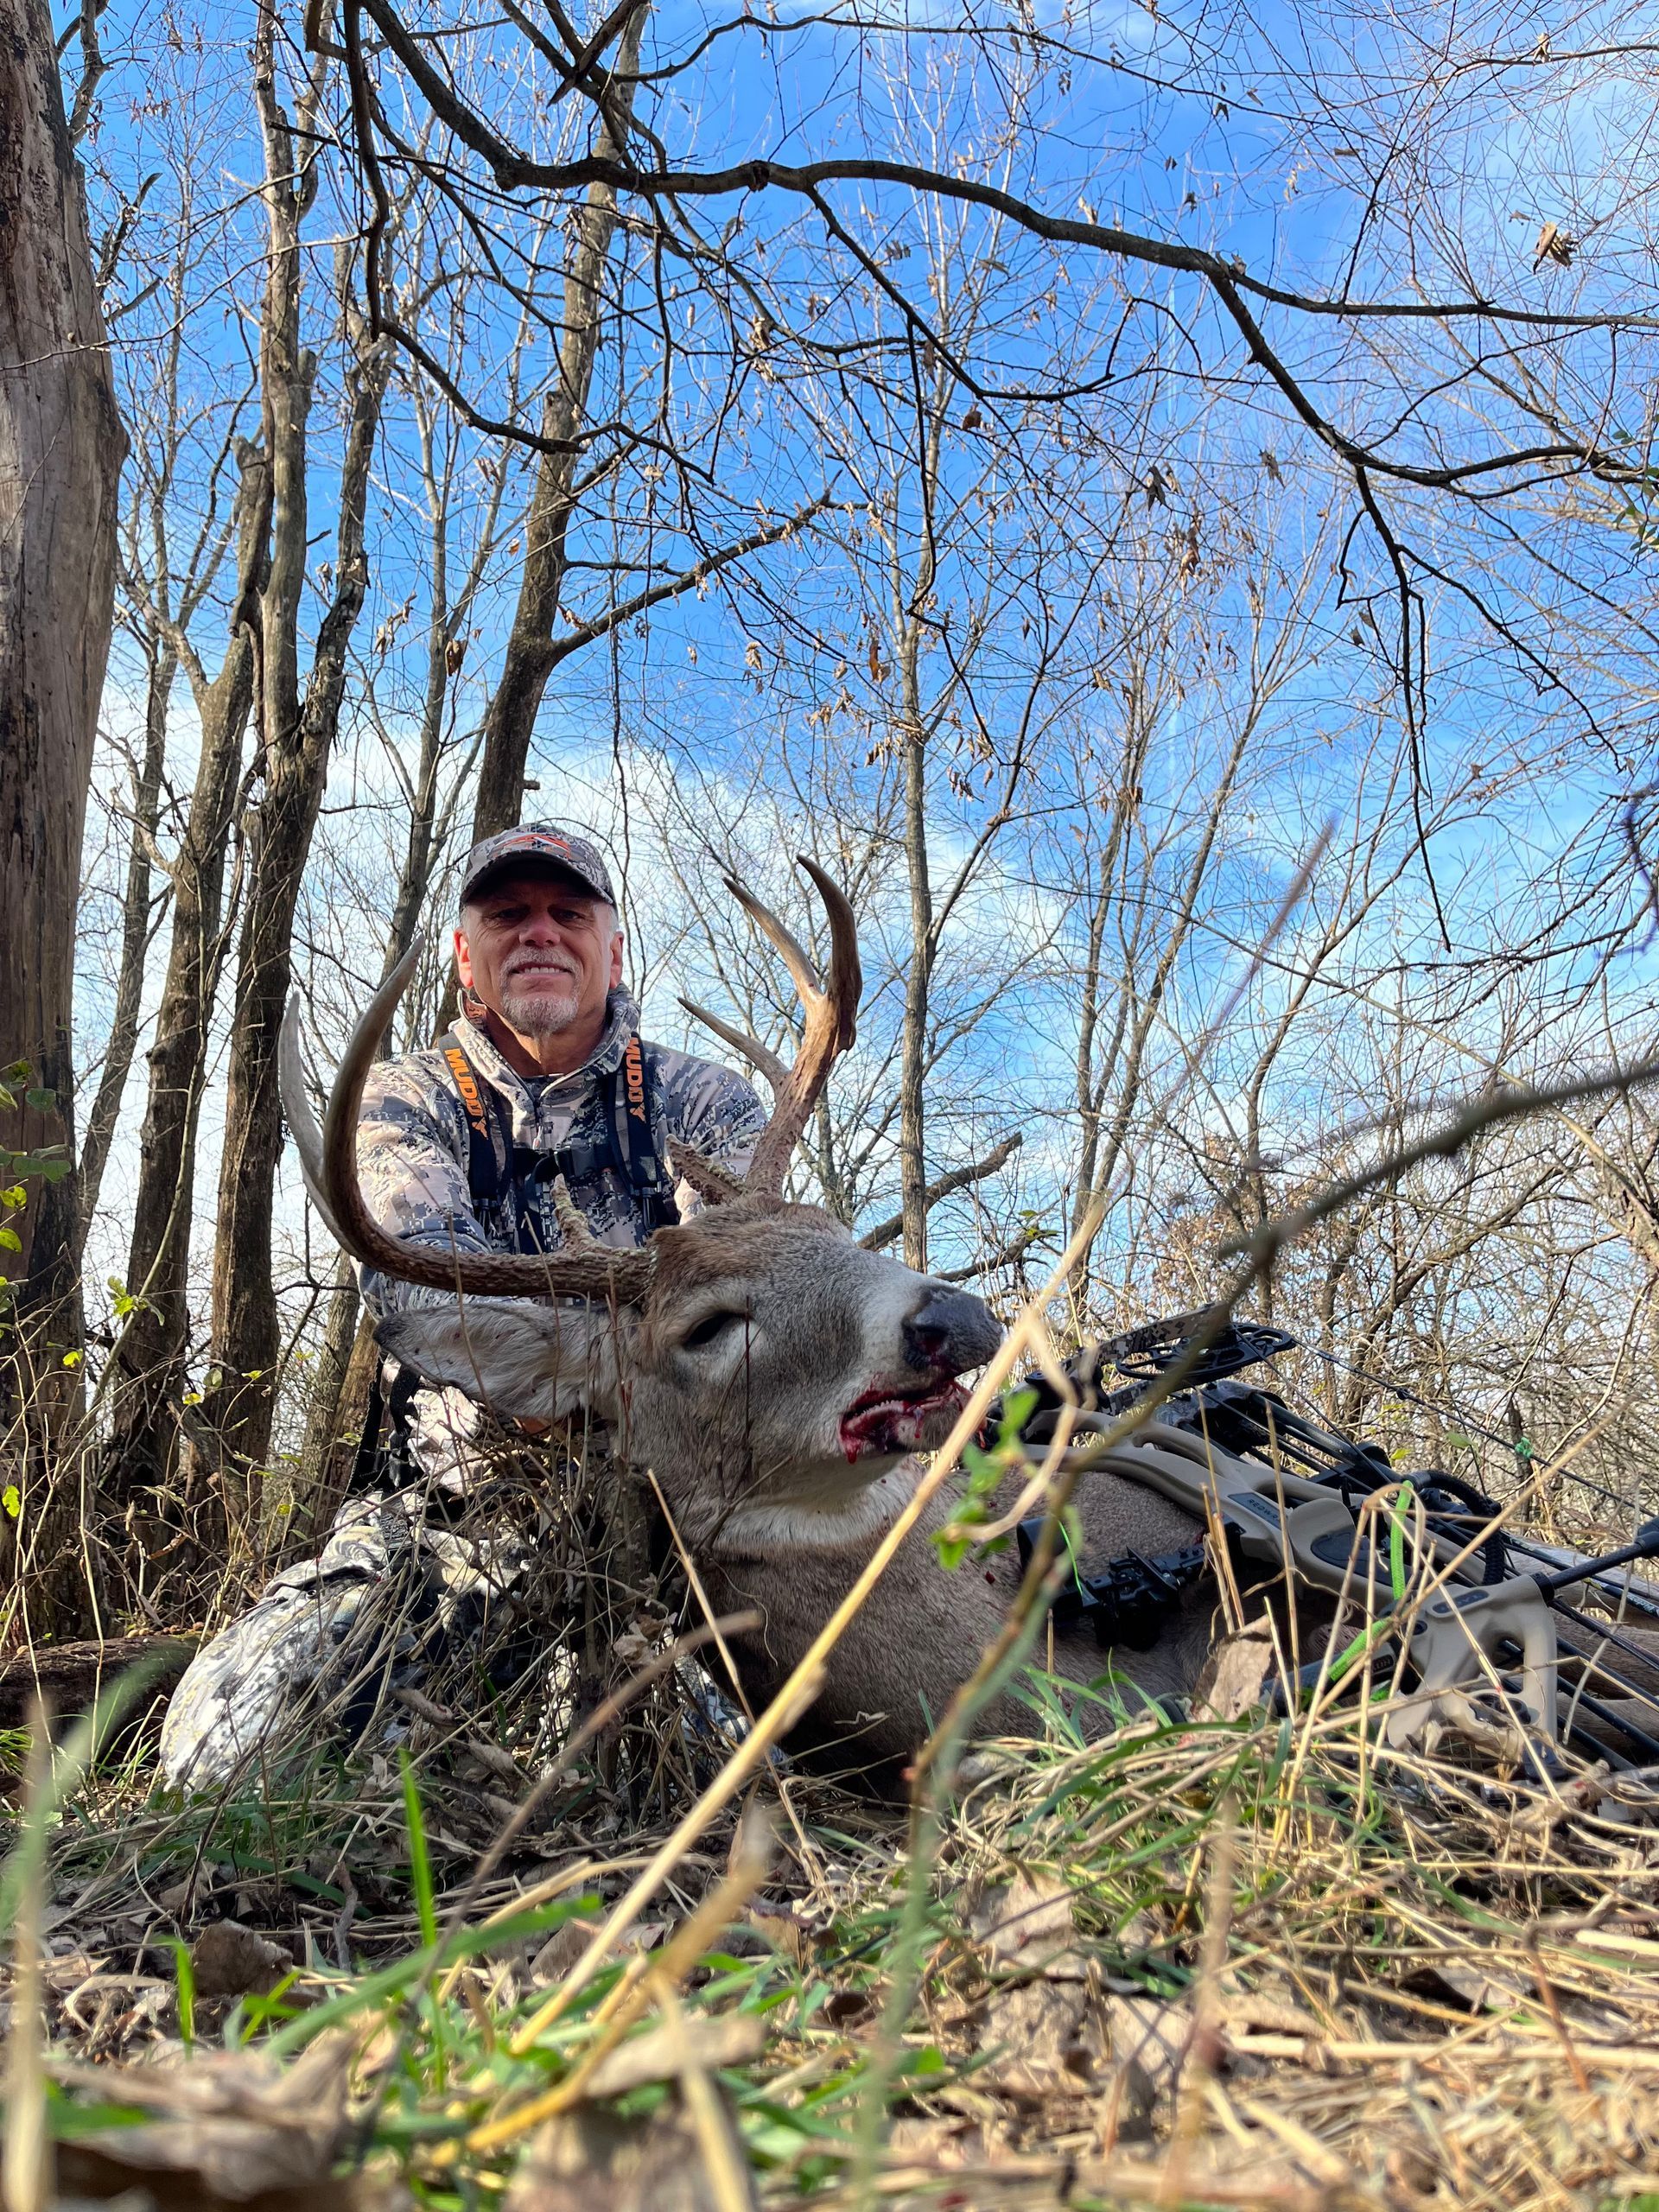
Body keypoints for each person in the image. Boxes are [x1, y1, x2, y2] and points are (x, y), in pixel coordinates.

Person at [159, 825, 766, 1787]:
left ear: (614, 950)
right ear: (462, 956)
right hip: (440, 1520)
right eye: (507, 914)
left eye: (569, 913)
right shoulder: (405, 1097)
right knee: (227, 1746)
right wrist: (648, 1351)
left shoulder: (708, 1105)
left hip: (680, 1525)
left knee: (736, 1776)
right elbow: (429, 1298)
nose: (539, 933)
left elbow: (757, 1302)